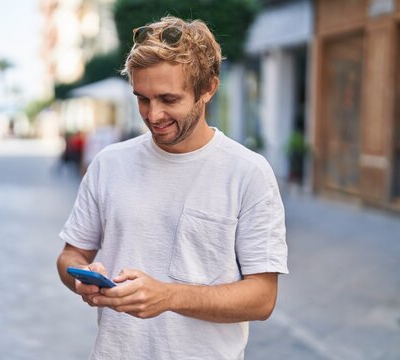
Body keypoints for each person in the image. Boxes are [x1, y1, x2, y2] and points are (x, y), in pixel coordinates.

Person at [56, 16, 288, 359]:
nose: (153, 115)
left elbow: (262, 297)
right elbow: (70, 255)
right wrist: (81, 277)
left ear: (208, 87)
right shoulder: (109, 163)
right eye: (143, 99)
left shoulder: (248, 172)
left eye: (168, 99)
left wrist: (168, 296)